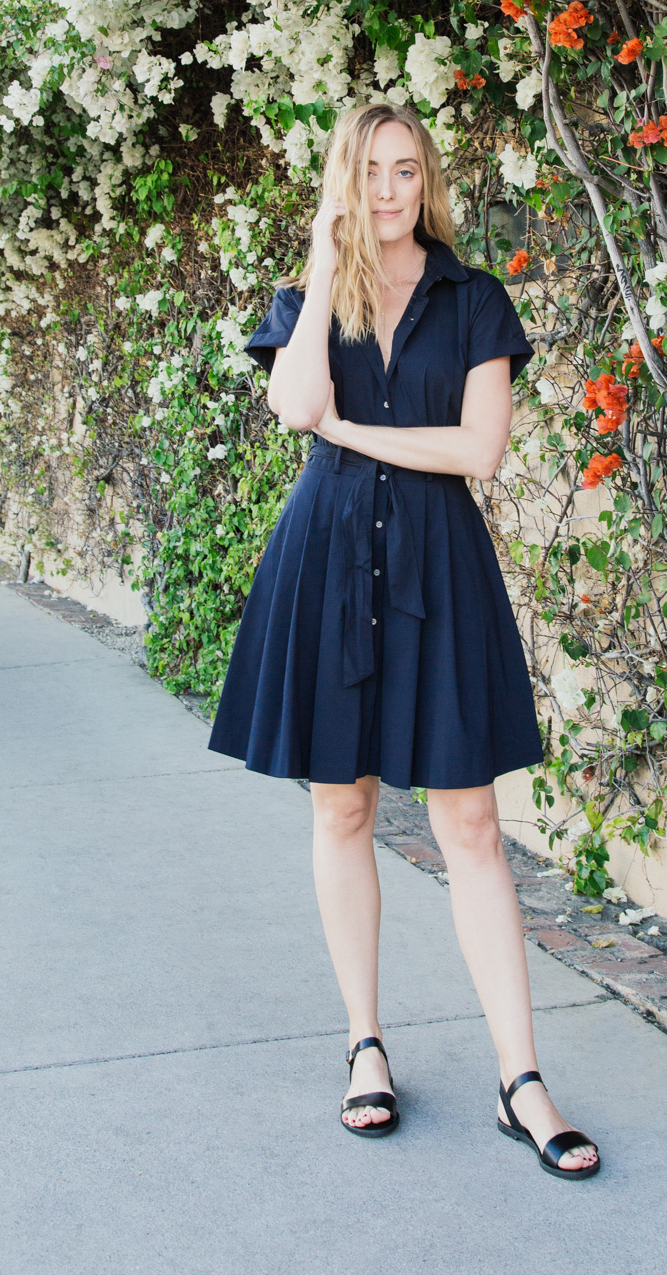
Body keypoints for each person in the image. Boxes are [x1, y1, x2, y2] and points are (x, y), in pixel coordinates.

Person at [209, 102, 600, 1179]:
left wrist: (356, 432)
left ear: (427, 178)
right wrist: (321, 248)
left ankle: (523, 1081)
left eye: (406, 170)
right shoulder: (310, 296)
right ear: (345, 178)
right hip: (327, 560)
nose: (390, 190)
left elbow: (479, 451)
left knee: (469, 820)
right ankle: (365, 1047)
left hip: (439, 566)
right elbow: (295, 406)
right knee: (344, 804)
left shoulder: (474, 301)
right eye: (370, 172)